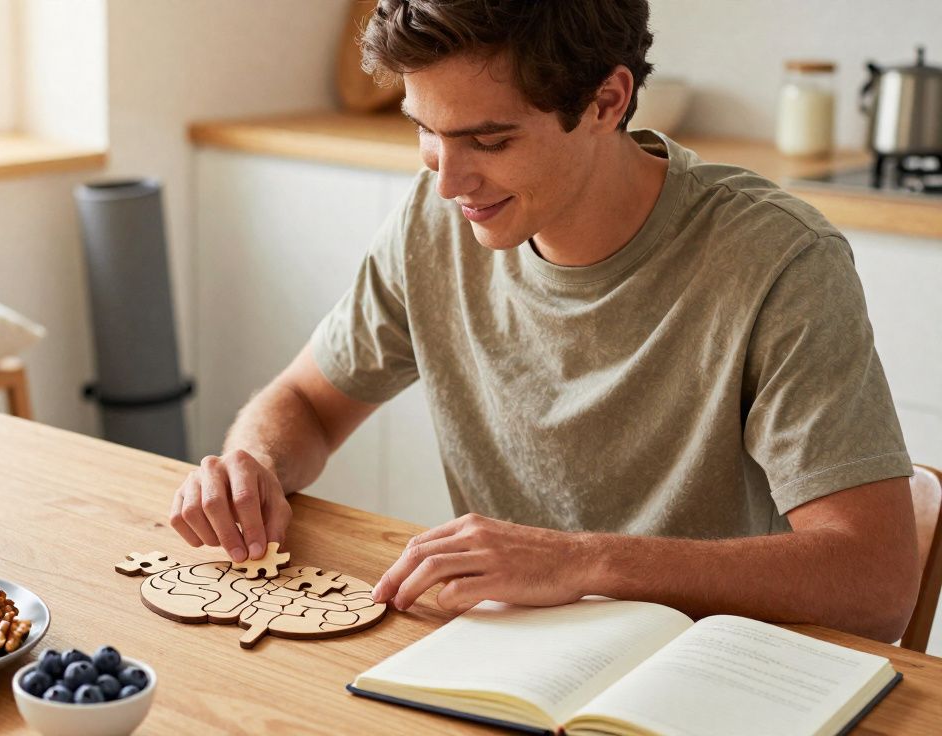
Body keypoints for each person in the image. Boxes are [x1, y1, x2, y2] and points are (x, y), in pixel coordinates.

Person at [168, 0, 920, 642]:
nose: (448, 181)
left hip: (715, 669)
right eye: (424, 129)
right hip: (515, 664)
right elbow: (305, 403)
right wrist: (253, 467)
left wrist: (584, 562)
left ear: (606, 102)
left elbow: (875, 580)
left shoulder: (777, 259)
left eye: (489, 140)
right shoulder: (434, 224)